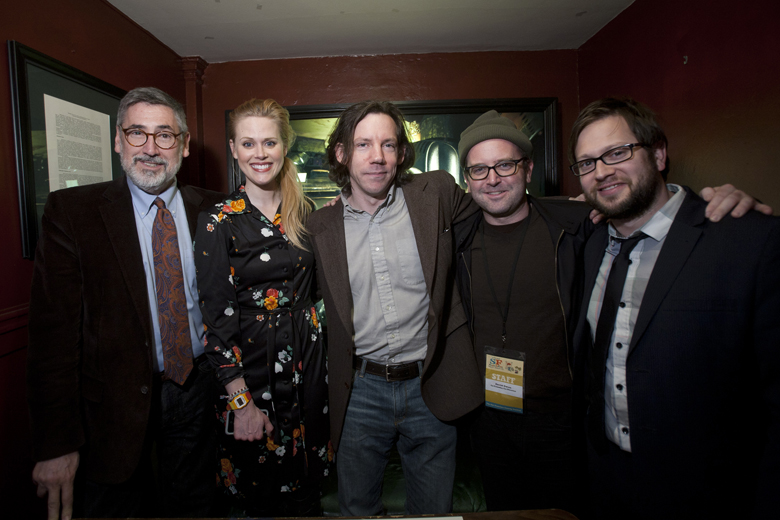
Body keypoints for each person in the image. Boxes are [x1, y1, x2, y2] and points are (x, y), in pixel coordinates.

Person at [453, 109, 772, 514]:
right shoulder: (456, 237)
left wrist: (721, 203)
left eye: (504, 164)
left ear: (528, 168)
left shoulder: (577, 227)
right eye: (479, 169)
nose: (492, 178)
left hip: (565, 420)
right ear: (467, 178)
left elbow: (651, 211)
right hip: (490, 417)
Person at [570, 97, 780, 519]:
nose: (602, 171)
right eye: (588, 163)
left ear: (659, 153)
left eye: (617, 153)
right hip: (606, 480)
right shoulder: (590, 243)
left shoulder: (747, 241)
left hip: (707, 492)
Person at [27, 87, 223, 520]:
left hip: (198, 392)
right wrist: (56, 443)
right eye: (137, 133)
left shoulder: (214, 209)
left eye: (165, 136)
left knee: (196, 507)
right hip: (111, 410)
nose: (151, 149)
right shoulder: (73, 213)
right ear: (118, 140)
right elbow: (52, 340)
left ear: (185, 145)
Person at [307, 100, 483, 516]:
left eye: (388, 145)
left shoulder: (435, 194)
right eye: (363, 144)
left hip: (432, 380)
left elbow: (500, 210)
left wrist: (577, 208)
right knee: (357, 510)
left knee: (432, 514)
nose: (377, 157)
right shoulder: (320, 226)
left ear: (402, 154)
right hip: (361, 389)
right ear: (341, 153)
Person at [193, 98, 330, 517]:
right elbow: (214, 322)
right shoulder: (218, 219)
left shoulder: (306, 213)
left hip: (308, 375)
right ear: (234, 149)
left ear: (284, 147)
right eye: (248, 143)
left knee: (307, 493)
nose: (260, 153)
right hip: (252, 379)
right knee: (260, 497)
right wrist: (241, 403)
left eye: (269, 143)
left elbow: (325, 291)